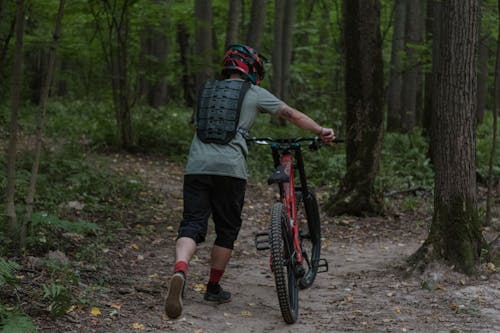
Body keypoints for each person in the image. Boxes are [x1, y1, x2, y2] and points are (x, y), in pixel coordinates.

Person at [164, 44, 335, 319]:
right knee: (226, 229)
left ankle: (181, 268)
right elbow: (291, 114)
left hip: (196, 166)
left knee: (193, 223)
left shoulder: (206, 90)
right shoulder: (254, 92)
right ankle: (213, 286)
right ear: (251, 70)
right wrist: (320, 130)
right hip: (230, 170)